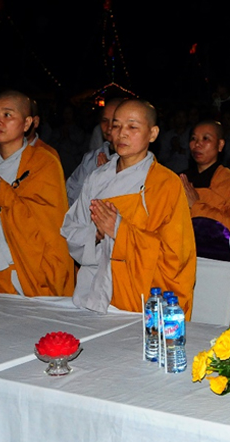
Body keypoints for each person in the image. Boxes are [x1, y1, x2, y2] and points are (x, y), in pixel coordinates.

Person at [61, 100, 196, 316]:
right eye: (116, 126)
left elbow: (176, 255)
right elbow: (71, 231)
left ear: (152, 134)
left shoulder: (164, 183)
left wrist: (120, 231)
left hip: (140, 298)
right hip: (92, 291)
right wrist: (95, 234)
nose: (122, 134)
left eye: (132, 127)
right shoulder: (96, 178)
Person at [0, 90, 74, 296]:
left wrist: (5, 197)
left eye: (7, 115)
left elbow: (49, 227)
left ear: (27, 123)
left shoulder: (43, 163)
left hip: (21, 273)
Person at [180, 120, 230, 324]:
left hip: (222, 269)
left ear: (220, 145)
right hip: (188, 264)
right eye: (193, 139)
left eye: (205, 139)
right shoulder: (180, 180)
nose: (197, 144)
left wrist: (197, 205)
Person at [65, 98, 123, 205]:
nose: (109, 127)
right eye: (104, 120)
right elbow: (71, 190)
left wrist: (109, 176)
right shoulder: (92, 157)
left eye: (115, 122)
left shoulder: (132, 159)